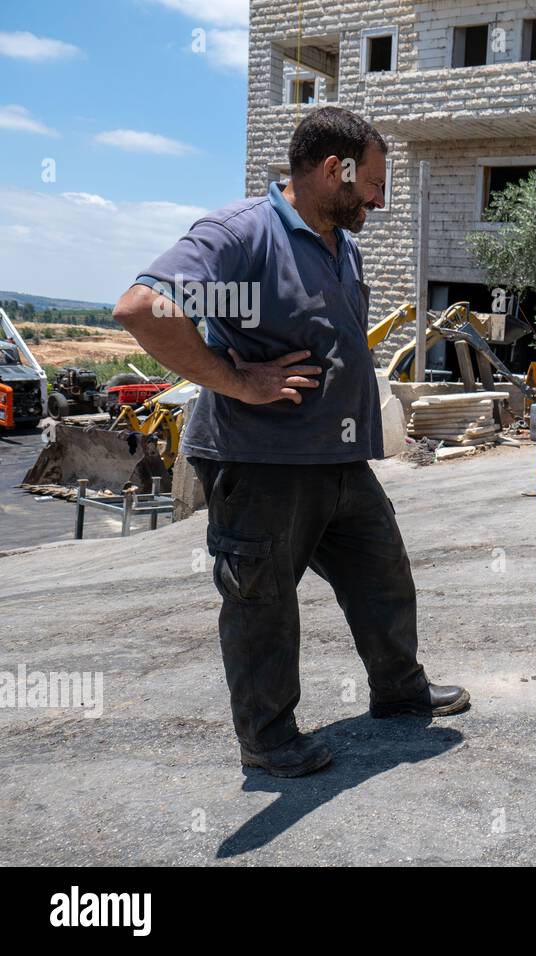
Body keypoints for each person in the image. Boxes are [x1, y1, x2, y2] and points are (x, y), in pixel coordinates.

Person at [112, 106, 469, 776]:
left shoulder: (343, 245)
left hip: (338, 461)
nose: (380, 199)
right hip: (262, 464)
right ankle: (269, 739)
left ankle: (399, 692)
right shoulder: (244, 234)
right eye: (374, 184)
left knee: (384, 578)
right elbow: (141, 308)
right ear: (335, 169)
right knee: (263, 605)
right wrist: (237, 382)